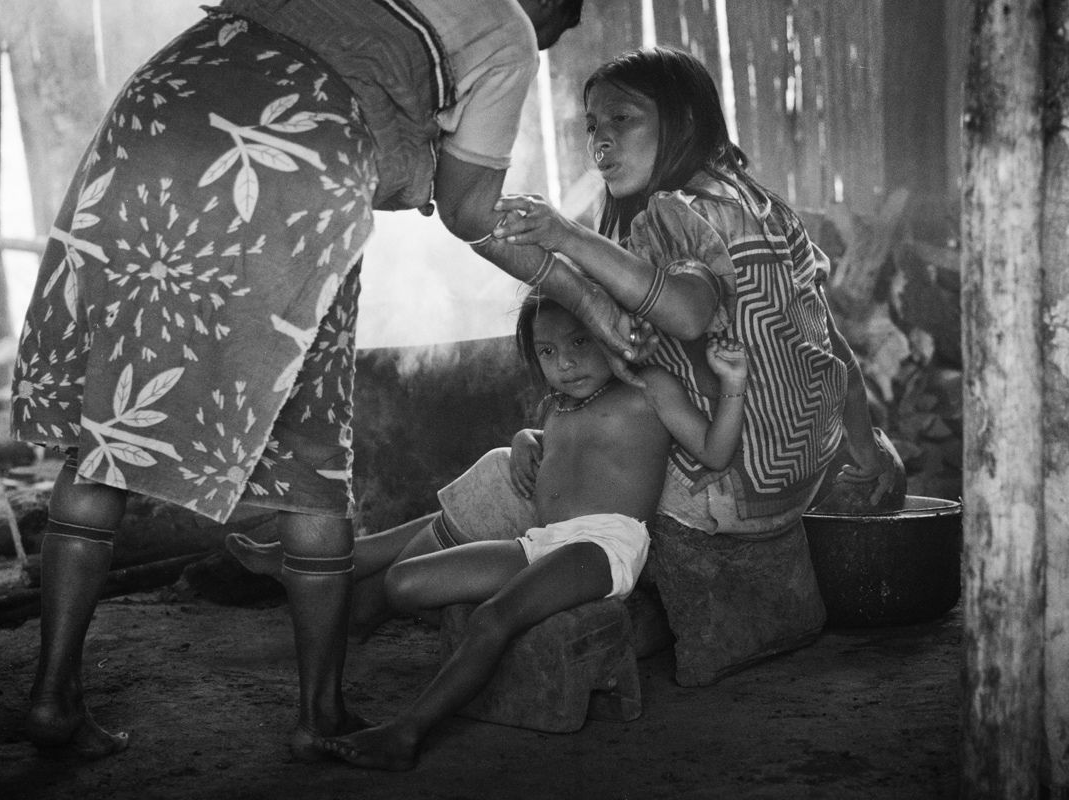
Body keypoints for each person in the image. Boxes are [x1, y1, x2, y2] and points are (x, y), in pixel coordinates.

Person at [9, 0, 652, 763]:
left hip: (154, 118)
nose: (534, 44)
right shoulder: (499, 19)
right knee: (312, 445)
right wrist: (587, 296)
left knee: (108, 427)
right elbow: (467, 210)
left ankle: (51, 697)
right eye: (552, 31)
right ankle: (318, 715)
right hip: (278, 165)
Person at [229, 44, 904, 624]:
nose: (601, 140)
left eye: (623, 119)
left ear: (687, 120)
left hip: (724, 490)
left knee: (519, 474)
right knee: (541, 454)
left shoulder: (677, 215)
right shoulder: (762, 204)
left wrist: (562, 231)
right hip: (787, 477)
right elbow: (829, 347)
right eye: (592, 126)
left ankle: (346, 588)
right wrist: (866, 442)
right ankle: (340, 570)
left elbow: (690, 313)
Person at [315, 291, 748, 771]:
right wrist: (525, 438)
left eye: (581, 342)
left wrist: (733, 381)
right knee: (404, 584)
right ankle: (493, 646)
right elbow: (574, 444)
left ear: (610, 332)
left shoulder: (649, 388)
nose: (565, 362)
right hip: (542, 543)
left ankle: (406, 732)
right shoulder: (557, 405)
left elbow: (714, 451)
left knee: (493, 618)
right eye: (547, 351)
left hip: (602, 544)